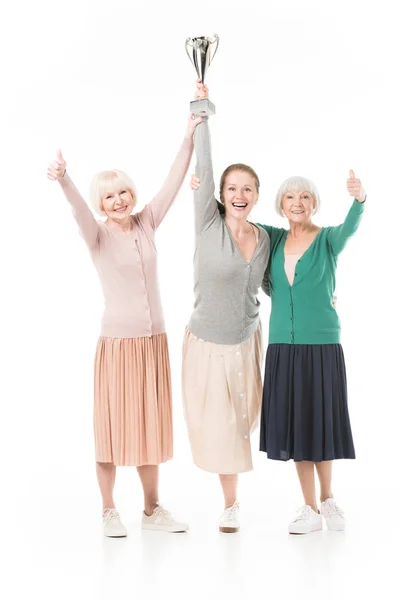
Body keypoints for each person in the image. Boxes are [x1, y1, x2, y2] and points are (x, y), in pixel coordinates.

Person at [47, 111, 202, 537]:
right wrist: (65, 179)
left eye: (123, 192)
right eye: (109, 196)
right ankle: (109, 510)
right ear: (101, 204)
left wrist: (188, 133)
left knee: (149, 426)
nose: (118, 200)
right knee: (112, 427)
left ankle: (152, 511)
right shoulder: (97, 235)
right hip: (117, 345)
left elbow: (173, 179)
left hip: (153, 343)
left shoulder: (147, 222)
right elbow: (77, 210)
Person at [183, 81, 270, 533]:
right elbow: (204, 162)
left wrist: (325, 290)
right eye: (232, 188)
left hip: (247, 341)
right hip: (208, 343)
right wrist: (201, 107)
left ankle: (236, 501)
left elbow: (281, 282)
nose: (239, 194)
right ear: (221, 193)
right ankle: (230, 504)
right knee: (218, 426)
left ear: (257, 194)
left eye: (248, 189)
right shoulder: (207, 221)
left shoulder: (265, 238)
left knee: (242, 422)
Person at [258, 172, 366, 534]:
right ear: (281, 204)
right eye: (290, 198)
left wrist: (359, 198)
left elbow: (351, 226)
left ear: (314, 203)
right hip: (282, 347)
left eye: (305, 197)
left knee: (322, 422)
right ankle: (308, 507)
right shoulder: (272, 239)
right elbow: (237, 225)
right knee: (297, 427)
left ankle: (329, 499)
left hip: (321, 344)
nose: (298, 203)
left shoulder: (327, 240)